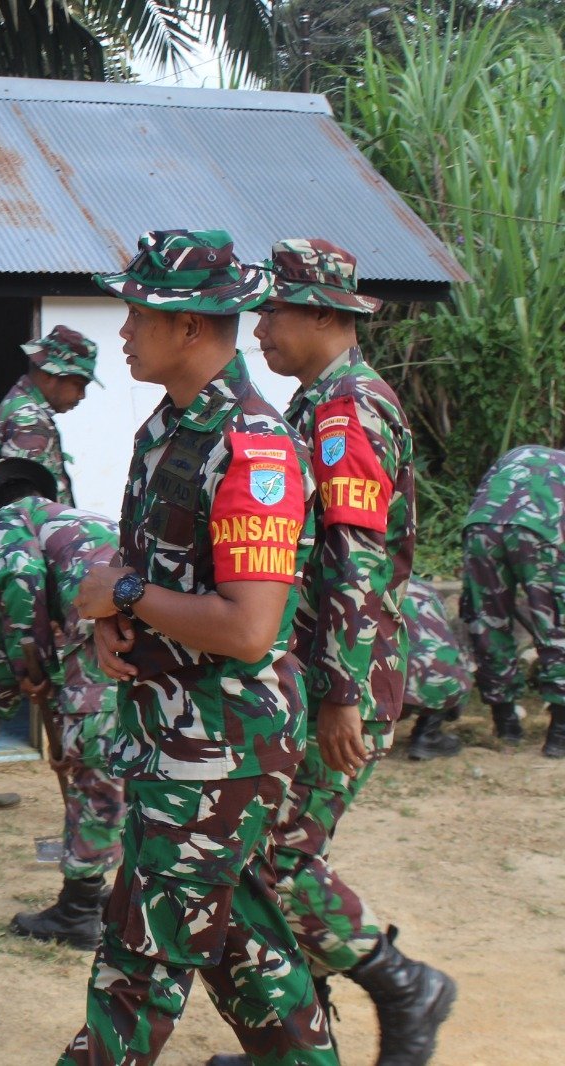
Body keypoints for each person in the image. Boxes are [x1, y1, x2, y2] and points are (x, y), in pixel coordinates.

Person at [63, 230, 336, 1065]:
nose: (122, 333)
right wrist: (120, 606)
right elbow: (157, 564)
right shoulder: (169, 431)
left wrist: (132, 595)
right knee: (247, 958)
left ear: (190, 327)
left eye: (138, 314)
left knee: (136, 971)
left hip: (219, 747)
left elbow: (251, 629)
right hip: (177, 736)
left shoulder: (252, 449)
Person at [240, 238, 454, 1064]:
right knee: (279, 855)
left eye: (275, 311)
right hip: (314, 675)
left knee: (278, 863)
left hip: (339, 681)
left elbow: (356, 561)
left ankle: (405, 985)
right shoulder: (314, 405)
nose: (260, 329)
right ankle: (301, 1044)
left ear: (325, 314)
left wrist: (341, 694)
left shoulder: (346, 411)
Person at [0, 458, 126, 949]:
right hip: (148, 640)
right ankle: (124, 899)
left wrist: (31, 667)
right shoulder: (79, 522)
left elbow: (20, 590)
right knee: (129, 771)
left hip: (96, 648)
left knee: (93, 771)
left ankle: (78, 911)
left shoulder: (9, 522)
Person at [461, 445, 565, 756]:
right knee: (557, 625)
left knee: (488, 620)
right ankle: (560, 735)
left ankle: (506, 724)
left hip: (480, 527)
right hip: (541, 531)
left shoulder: (519, 454)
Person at [0, 325, 99, 508]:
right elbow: (25, 512)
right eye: (78, 384)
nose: (82, 396)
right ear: (49, 374)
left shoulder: (21, 404)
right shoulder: (28, 421)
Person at [401, 577, 471, 760]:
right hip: (438, 682)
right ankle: (427, 735)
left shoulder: (352, 581)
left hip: (370, 691)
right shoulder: (425, 589)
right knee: (453, 660)